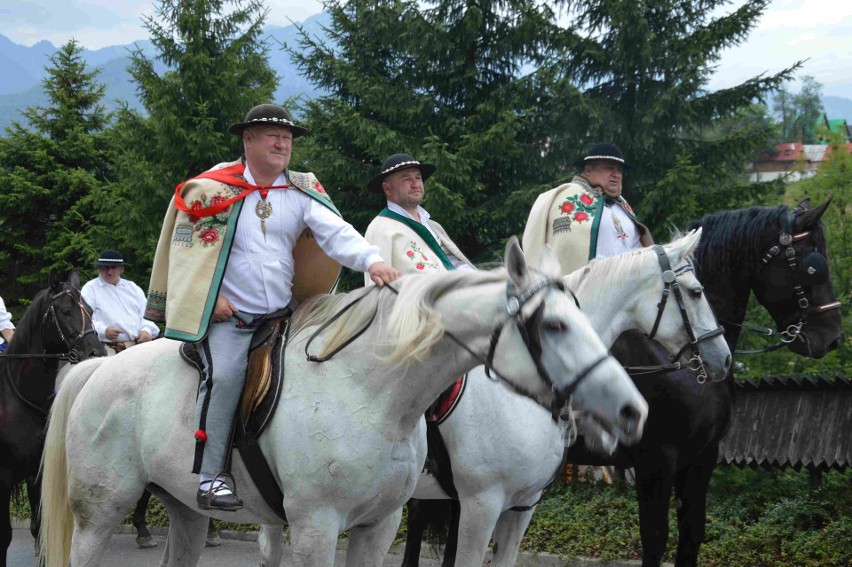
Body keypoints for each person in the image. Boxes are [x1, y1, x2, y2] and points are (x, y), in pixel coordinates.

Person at [145, 103, 400, 512]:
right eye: (272, 135)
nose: (283, 143)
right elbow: (187, 257)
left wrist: (373, 260)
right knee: (227, 376)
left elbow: (337, 234)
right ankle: (211, 477)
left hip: (284, 317)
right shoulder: (213, 189)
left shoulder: (300, 190)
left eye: (287, 138)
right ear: (248, 140)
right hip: (229, 318)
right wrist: (210, 303)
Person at [522, 142, 653, 274]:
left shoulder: (623, 205)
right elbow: (564, 246)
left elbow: (639, 247)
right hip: (585, 288)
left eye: (619, 170)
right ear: (588, 170)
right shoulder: (566, 197)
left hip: (625, 288)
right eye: (609, 168)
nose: (616, 175)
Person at [363, 153, 474, 284]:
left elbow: (452, 264)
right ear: (387, 188)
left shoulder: (433, 226)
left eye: (418, 178)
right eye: (406, 179)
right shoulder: (380, 229)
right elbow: (376, 291)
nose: (415, 184)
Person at [81, 249, 159, 355]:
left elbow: (146, 315)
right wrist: (103, 331)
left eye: (114, 267)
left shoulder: (133, 288)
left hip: (138, 347)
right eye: (106, 267)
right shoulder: (90, 289)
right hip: (107, 349)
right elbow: (84, 320)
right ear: (99, 268)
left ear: (121, 269)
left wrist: (147, 330)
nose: (110, 271)